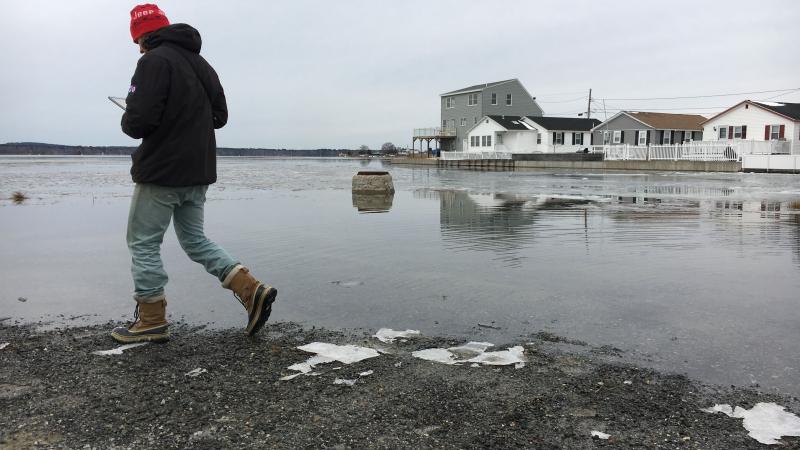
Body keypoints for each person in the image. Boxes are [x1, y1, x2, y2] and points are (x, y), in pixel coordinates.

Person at [112, 4, 277, 343]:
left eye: (136, 41)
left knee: (143, 242)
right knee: (195, 240)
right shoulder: (202, 64)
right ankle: (251, 289)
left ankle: (151, 320)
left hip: (161, 170)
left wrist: (130, 113)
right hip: (198, 170)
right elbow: (220, 116)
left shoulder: (152, 61)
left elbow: (138, 122)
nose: (138, 48)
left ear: (143, 35)